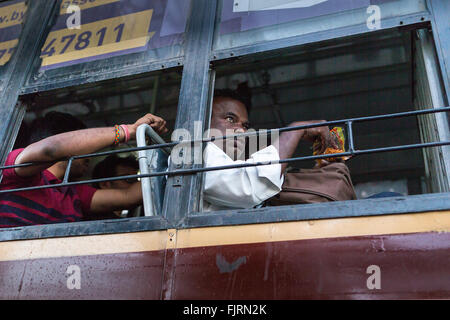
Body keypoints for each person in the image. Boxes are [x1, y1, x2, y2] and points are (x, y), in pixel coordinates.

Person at [0, 111, 167, 228]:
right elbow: (51, 149)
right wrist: (127, 132)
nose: (90, 153)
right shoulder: (13, 170)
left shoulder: (74, 194)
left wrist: (173, 157)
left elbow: (129, 196)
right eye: (85, 145)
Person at [202, 89, 337, 211]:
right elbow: (249, 187)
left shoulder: (227, 166)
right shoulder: (198, 151)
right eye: (230, 119)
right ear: (204, 121)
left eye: (245, 125)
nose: (241, 130)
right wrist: (297, 129)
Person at [90, 154, 140, 219]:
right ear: (104, 184)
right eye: (129, 179)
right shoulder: (95, 220)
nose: (136, 184)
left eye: (136, 178)